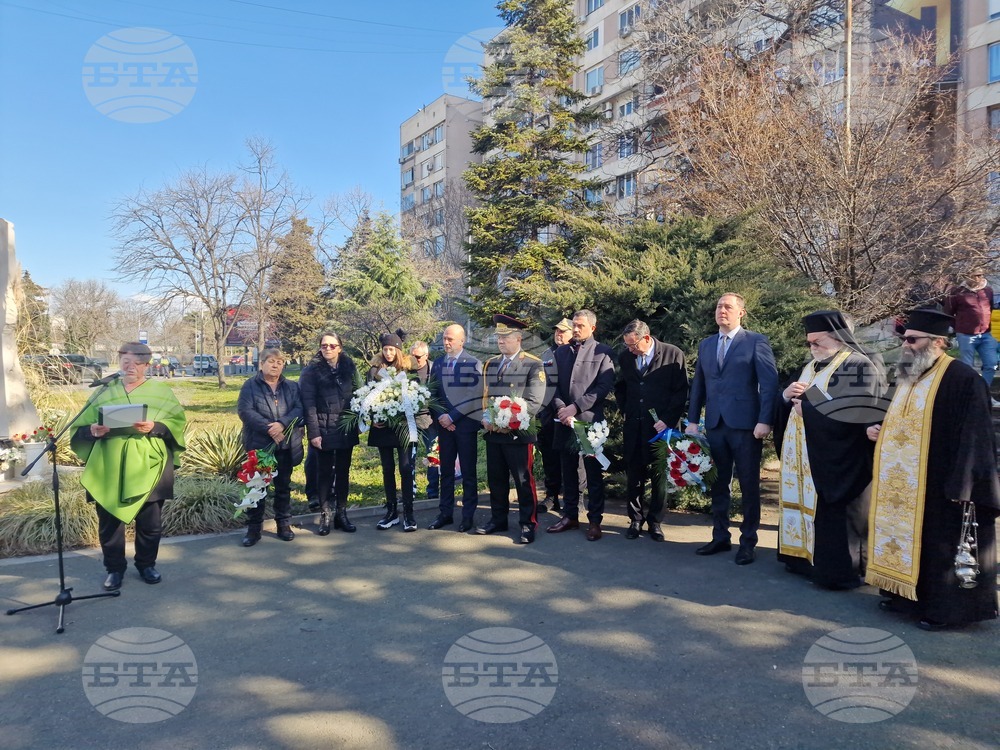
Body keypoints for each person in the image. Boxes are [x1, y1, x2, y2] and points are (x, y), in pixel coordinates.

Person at [866, 308, 999, 630]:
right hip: (907, 483)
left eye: (912, 340)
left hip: (944, 484)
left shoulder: (962, 379)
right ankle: (905, 597)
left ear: (938, 342)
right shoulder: (910, 376)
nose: (906, 345)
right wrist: (880, 430)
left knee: (941, 549)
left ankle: (946, 612)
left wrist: (965, 485)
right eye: (905, 339)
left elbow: (976, 437)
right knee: (911, 543)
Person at [774, 311, 887, 589]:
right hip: (805, 455)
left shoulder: (858, 365)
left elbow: (854, 414)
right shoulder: (812, 365)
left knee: (838, 517)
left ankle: (842, 572)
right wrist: (787, 396)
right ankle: (800, 559)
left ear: (838, 338)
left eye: (817, 342)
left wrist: (808, 406)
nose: (812, 348)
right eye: (809, 343)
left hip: (841, 459)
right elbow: (804, 399)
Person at [70, 342, 186, 590]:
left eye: (135, 363)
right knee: (110, 523)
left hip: (150, 466)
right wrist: (92, 430)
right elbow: (80, 425)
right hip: (108, 466)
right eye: (124, 362)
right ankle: (114, 569)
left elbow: (176, 423)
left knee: (150, 523)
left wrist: (155, 426)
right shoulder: (105, 391)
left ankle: (146, 564)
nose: (129, 367)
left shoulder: (160, 392)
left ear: (146, 365)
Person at [686, 293, 778, 565]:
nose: (722, 311)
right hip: (715, 424)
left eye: (728, 307)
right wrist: (693, 420)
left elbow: (769, 384)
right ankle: (720, 536)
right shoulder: (707, 344)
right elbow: (699, 385)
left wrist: (765, 420)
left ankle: (748, 542)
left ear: (741, 313)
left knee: (748, 484)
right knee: (719, 483)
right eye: (718, 306)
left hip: (746, 426)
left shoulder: (755, 342)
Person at [614, 320, 688, 542]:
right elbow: (622, 387)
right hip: (634, 426)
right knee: (634, 474)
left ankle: (655, 521)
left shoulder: (673, 354)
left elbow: (681, 391)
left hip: (661, 428)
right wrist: (626, 410)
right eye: (627, 346)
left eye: (634, 345)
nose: (630, 350)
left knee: (659, 476)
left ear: (646, 338)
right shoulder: (626, 357)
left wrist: (667, 419)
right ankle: (635, 519)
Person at [478, 315, 547, 544]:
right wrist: (487, 418)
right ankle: (498, 519)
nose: (500, 341)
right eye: (499, 337)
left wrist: (507, 422)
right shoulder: (491, 363)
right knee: (496, 479)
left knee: (523, 480)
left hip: (517, 433)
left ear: (518, 338)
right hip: (493, 434)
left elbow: (534, 401)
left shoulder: (533, 364)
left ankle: (528, 523)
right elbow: (486, 396)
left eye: (505, 337)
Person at [547, 310, 616, 541]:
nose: (576, 330)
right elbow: (552, 385)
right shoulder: (562, 352)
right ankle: (570, 516)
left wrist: (574, 408)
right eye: (574, 325)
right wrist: (561, 409)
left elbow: (603, 388)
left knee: (593, 473)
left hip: (589, 423)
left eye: (580, 326)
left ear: (592, 328)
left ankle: (595, 521)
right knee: (568, 471)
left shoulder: (603, 352)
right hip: (564, 422)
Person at [236, 348, 304, 546]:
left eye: (280, 362)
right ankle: (253, 529)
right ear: (262, 363)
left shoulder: (292, 387)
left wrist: (282, 423)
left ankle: (283, 524)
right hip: (260, 446)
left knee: (283, 488)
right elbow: (245, 411)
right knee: (256, 488)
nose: (275, 365)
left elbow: (300, 409)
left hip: (285, 445)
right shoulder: (250, 386)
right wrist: (270, 429)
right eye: (271, 361)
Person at [299, 332, 359, 536]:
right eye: (324, 346)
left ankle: (341, 513)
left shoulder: (348, 368)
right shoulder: (311, 371)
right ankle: (325, 515)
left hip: (345, 426)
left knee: (343, 472)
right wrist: (314, 433)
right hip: (323, 428)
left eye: (332, 346)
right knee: (323, 473)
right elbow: (309, 405)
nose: (328, 349)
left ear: (340, 347)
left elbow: (356, 395)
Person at [428, 324, 483, 532]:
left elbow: (474, 396)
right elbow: (432, 392)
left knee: (468, 472)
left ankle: (468, 516)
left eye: (450, 339)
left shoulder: (473, 363)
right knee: (446, 472)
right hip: (444, 427)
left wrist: (452, 416)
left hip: (465, 427)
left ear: (462, 340)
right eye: (444, 338)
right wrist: (442, 416)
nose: (446, 342)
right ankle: (445, 513)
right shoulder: (439, 363)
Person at [368, 332, 418, 532]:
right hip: (382, 428)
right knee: (387, 468)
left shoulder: (408, 369)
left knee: (405, 468)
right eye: (385, 349)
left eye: (391, 349)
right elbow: (367, 395)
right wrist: (373, 417)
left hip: (404, 426)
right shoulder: (375, 370)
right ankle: (391, 511)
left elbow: (417, 395)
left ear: (398, 350)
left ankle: (409, 513)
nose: (388, 353)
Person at [943, 268, 997, 406]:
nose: (978, 279)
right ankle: (969, 396)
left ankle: (983, 394)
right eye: (975, 276)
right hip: (966, 335)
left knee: (991, 364)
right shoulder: (957, 292)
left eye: (980, 275)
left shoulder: (988, 291)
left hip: (986, 334)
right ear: (966, 276)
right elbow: (949, 313)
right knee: (967, 367)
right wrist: (958, 328)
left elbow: (989, 309)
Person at [536, 319, 574, 514]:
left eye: (563, 331)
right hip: (549, 415)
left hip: (569, 413)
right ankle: (552, 496)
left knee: (571, 459)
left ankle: (574, 498)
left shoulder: (577, 353)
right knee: (550, 457)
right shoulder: (546, 355)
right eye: (556, 331)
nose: (559, 334)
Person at [410, 340, 439, 502]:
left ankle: (433, 490)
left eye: (418, 357)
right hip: (410, 420)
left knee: (433, 455)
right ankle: (410, 489)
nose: (415, 360)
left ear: (426, 355)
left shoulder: (435, 369)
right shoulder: (406, 370)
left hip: (429, 419)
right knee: (409, 456)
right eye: (412, 356)